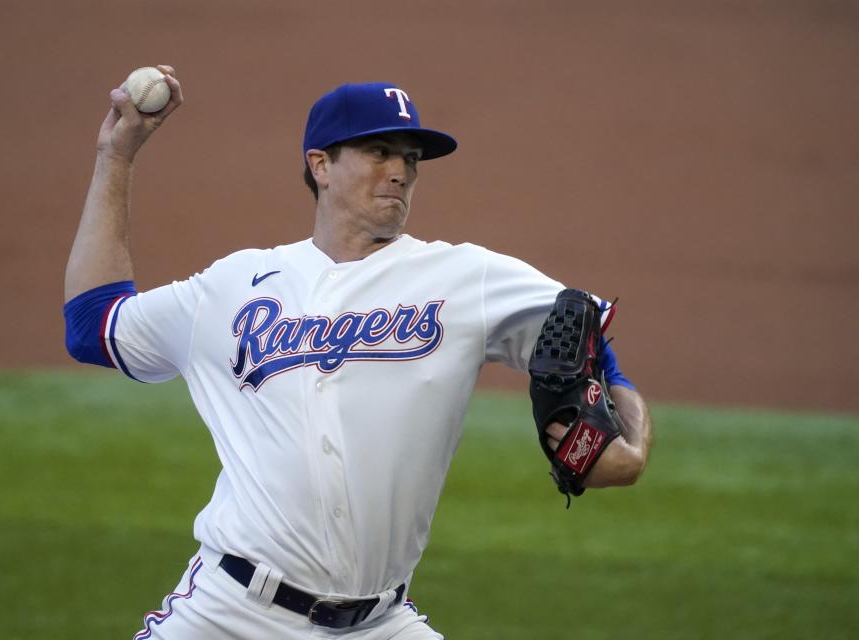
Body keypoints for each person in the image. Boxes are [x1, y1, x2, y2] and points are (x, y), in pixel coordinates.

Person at [64, 65, 653, 640]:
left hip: (380, 623)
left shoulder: (464, 276)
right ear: (320, 164)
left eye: (411, 159)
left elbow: (586, 337)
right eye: (378, 153)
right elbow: (93, 327)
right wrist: (115, 158)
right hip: (229, 612)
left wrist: (632, 443)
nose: (399, 171)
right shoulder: (231, 286)